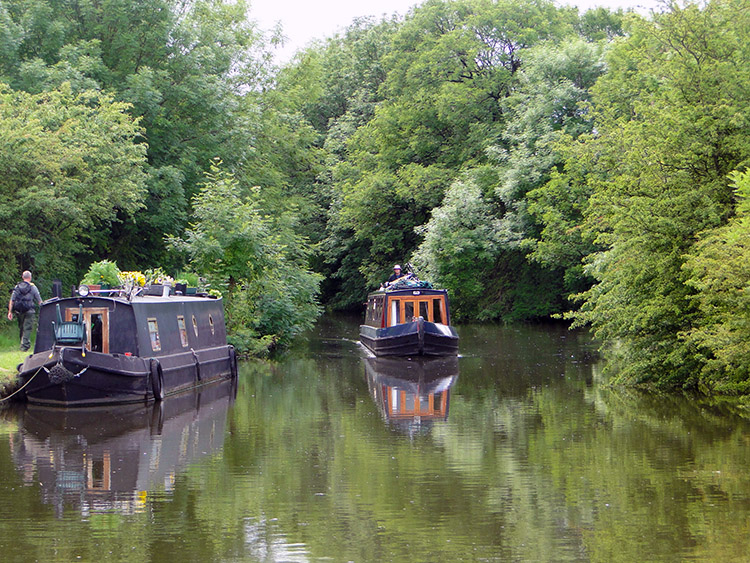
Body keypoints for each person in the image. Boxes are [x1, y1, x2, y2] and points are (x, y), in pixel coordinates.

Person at [8, 270, 43, 351]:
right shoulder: (33, 287)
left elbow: (12, 300)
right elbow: (39, 300)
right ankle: (24, 346)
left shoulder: (17, 287)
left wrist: (10, 311)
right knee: (27, 328)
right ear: (30, 278)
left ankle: (23, 343)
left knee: (21, 328)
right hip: (29, 311)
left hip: (19, 311)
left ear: (22, 277)